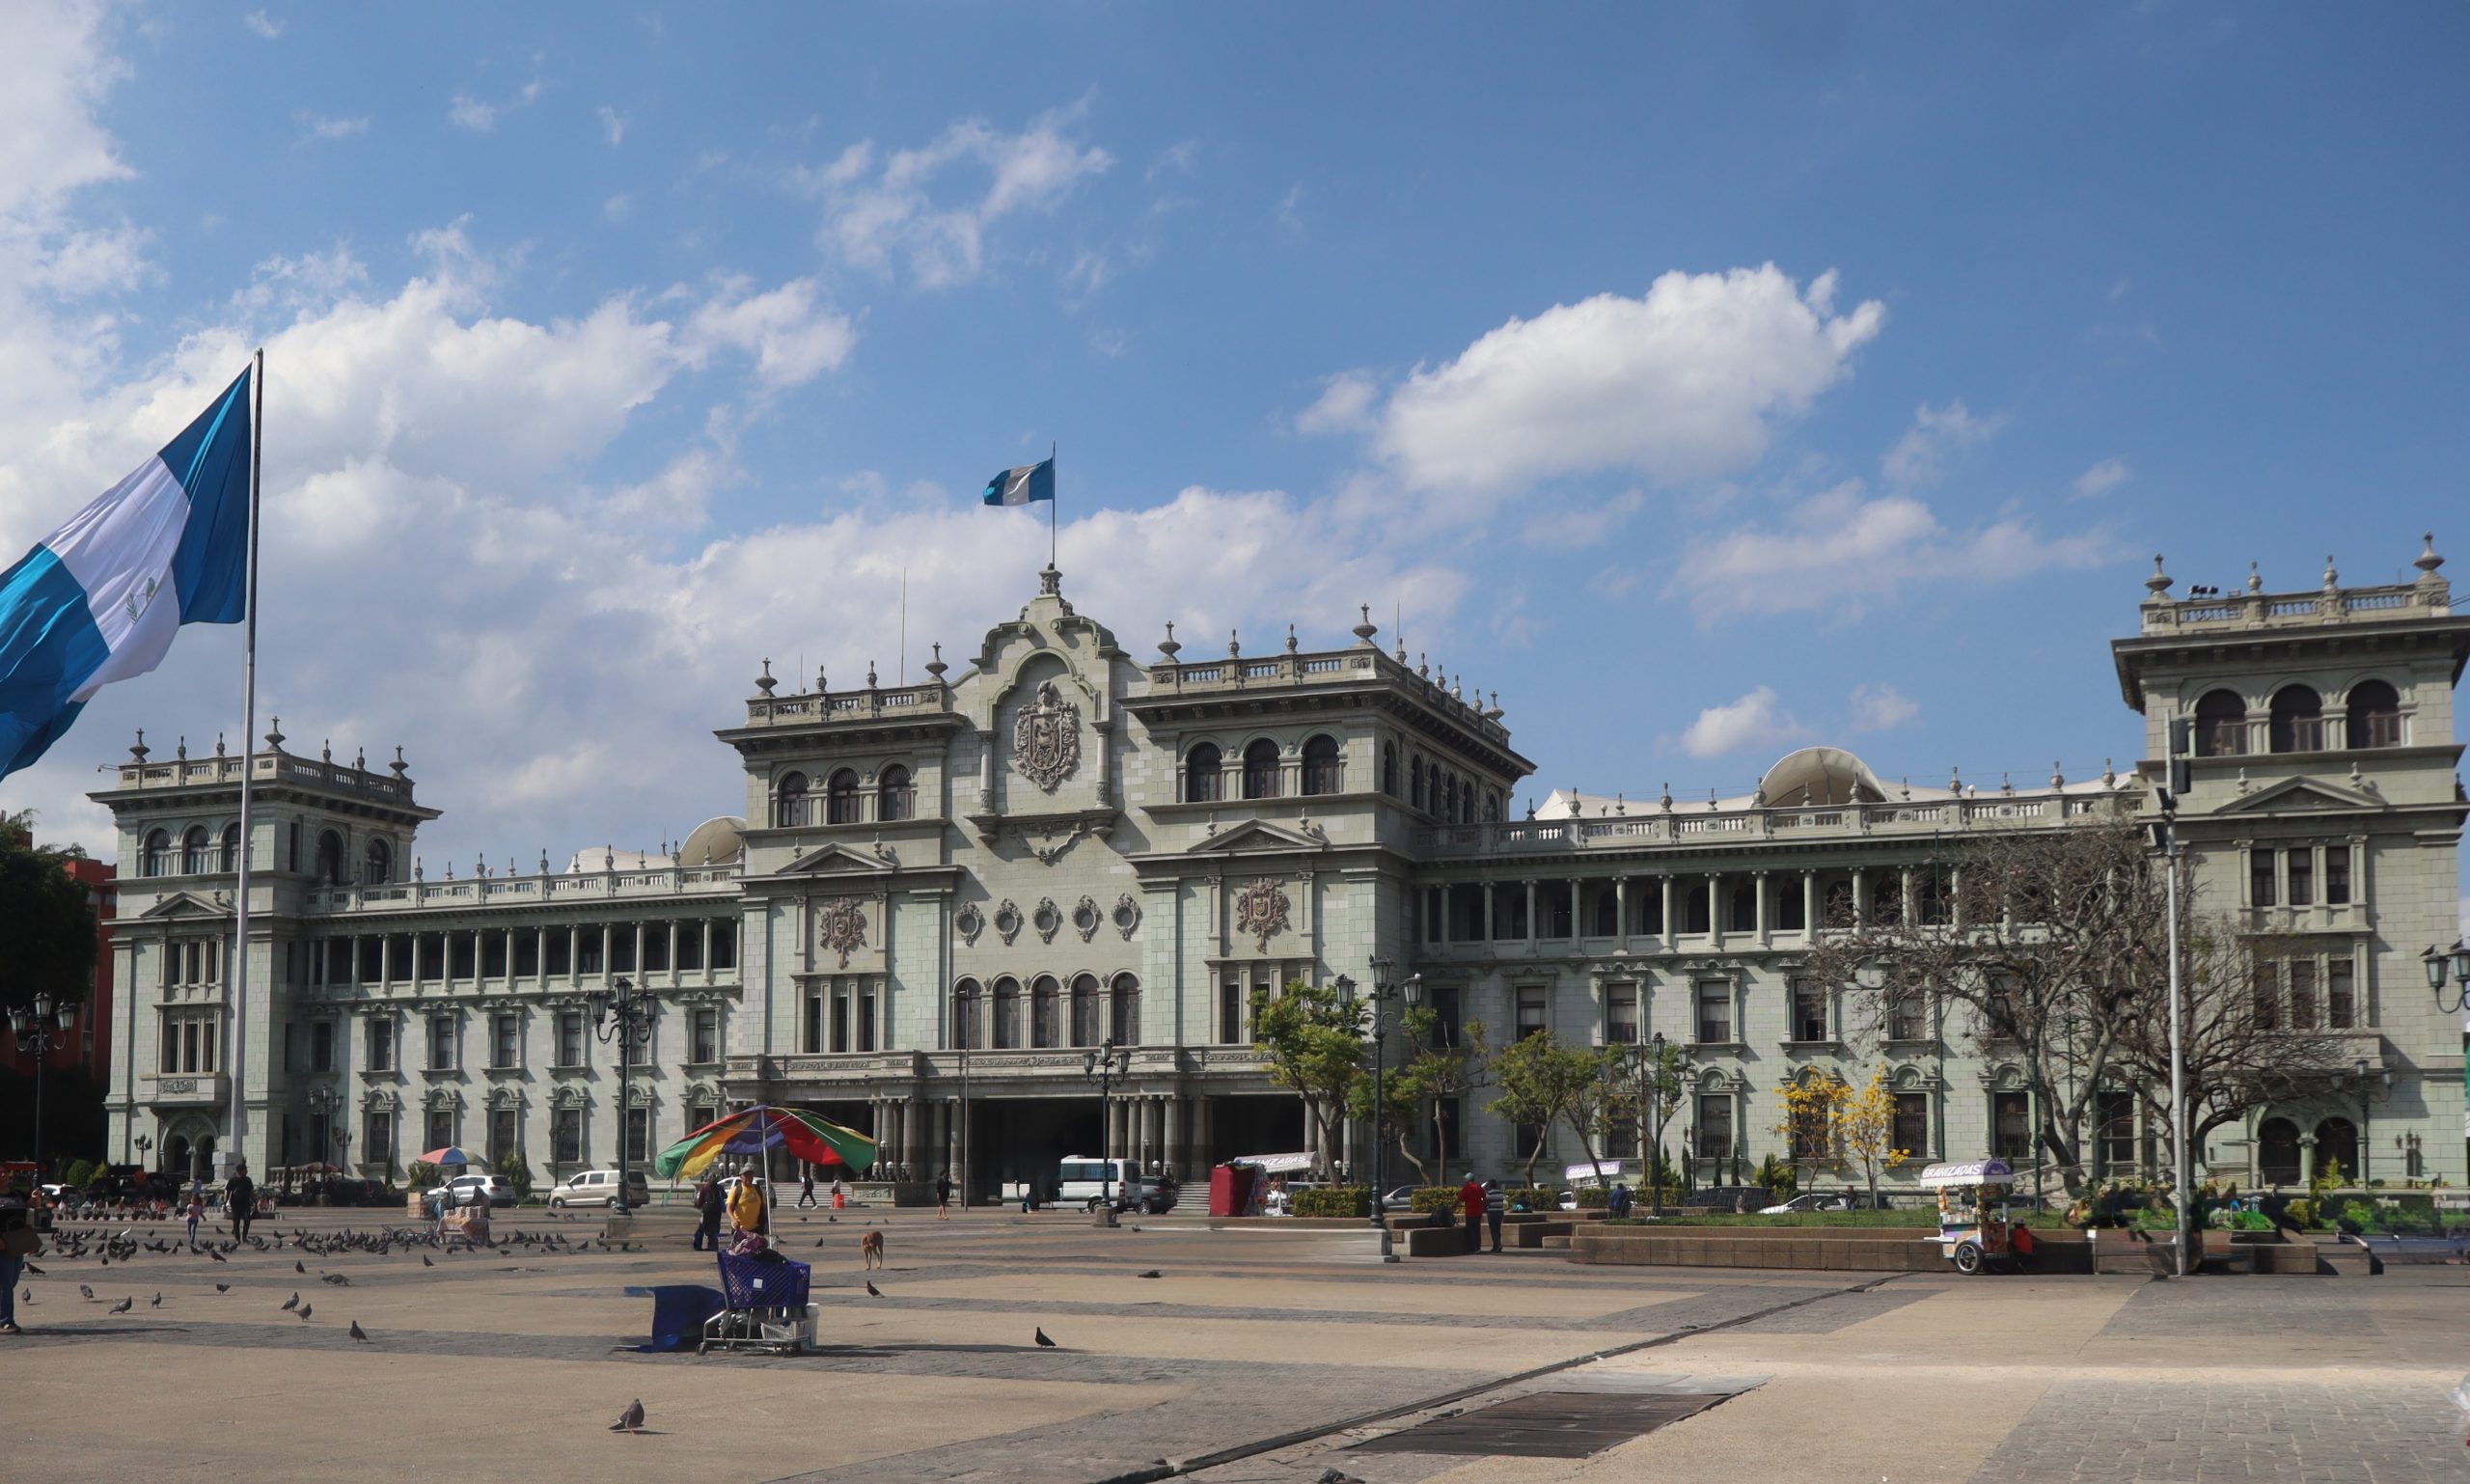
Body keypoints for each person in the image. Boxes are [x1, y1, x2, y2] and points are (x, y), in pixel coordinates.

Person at [1, 1179, 39, 1335]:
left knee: (12, 1281)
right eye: (1, 1173)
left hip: (18, 1242)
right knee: (4, 1284)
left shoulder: (17, 1194)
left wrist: (36, 1199)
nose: (4, 1175)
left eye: (5, 1172)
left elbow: (31, 1206)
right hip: (2, 1244)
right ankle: (5, 1321)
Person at [726, 1169, 766, 1238]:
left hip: (757, 1228)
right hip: (740, 1229)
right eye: (746, 1176)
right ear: (741, 1177)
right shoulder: (736, 1190)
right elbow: (728, 1208)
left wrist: (766, 1222)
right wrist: (733, 1220)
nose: (749, 1178)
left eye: (750, 1175)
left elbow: (764, 1207)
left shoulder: (758, 1190)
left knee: (758, 1245)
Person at [226, 1165, 256, 1241]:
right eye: (245, 1170)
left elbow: (251, 1191)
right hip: (235, 1203)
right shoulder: (232, 1180)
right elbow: (228, 1191)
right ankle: (237, 1238)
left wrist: (255, 1200)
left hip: (245, 1203)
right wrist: (225, 1201)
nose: (246, 1172)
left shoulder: (248, 1180)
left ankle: (244, 1236)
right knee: (236, 1221)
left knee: (247, 1219)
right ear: (239, 1171)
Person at [1459, 1173, 1486, 1254]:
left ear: (1468, 1180)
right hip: (1478, 1213)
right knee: (1477, 1231)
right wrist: (1483, 1207)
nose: (1465, 1180)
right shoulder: (1479, 1187)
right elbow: (1484, 1197)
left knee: (1471, 1231)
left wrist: (1451, 1206)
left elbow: (1459, 1199)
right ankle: (1478, 1247)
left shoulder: (1467, 1188)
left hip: (1470, 1213)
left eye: (1465, 1179)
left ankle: (1473, 1248)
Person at [1485, 1179, 1505, 1253]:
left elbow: (1486, 1203)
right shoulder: (1500, 1193)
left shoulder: (1489, 1193)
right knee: (1497, 1229)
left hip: (1492, 1212)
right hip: (1500, 1212)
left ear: (1490, 1185)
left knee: (1493, 1230)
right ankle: (1495, 1246)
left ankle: (1498, 1244)